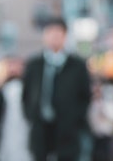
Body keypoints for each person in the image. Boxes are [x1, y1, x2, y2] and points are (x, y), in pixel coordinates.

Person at [21, 16, 92, 161]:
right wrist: (31, 114)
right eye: (50, 33)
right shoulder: (34, 64)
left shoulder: (77, 66)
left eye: (58, 33)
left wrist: (75, 117)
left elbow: (85, 95)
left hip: (67, 129)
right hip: (40, 127)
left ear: (65, 36)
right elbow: (26, 94)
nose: (54, 37)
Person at [0, 56, 31, 161]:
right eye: (11, 65)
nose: (14, 69)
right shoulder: (2, 91)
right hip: (5, 133)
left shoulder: (29, 89)